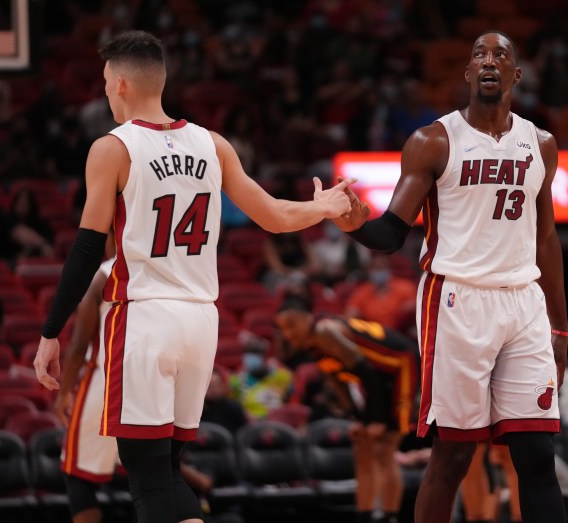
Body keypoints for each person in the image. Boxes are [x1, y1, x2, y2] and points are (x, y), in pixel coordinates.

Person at [33, 30, 354, 523]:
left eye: (103, 83)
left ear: (120, 84)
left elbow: (84, 249)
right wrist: (323, 206)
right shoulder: (213, 144)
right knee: (167, 473)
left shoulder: (113, 148)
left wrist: (50, 330)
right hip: (201, 323)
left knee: (147, 479)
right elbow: (272, 215)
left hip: (145, 318)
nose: (103, 92)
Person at [334, 31, 568, 523]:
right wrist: (357, 225)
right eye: (479, 54)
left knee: (536, 455)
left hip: (523, 302)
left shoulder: (540, 144)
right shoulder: (433, 140)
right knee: (454, 456)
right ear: (467, 74)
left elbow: (546, 240)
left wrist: (560, 327)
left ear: (516, 75)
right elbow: (393, 233)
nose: (489, 61)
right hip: (457, 300)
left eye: (501, 54)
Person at [275, 296, 419, 523]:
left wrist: (377, 420)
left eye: (291, 325)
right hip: (380, 379)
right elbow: (341, 383)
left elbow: (367, 372)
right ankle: (365, 514)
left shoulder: (325, 330)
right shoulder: (313, 345)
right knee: (362, 445)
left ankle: (390, 516)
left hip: (401, 365)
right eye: (283, 328)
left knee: (384, 448)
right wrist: (359, 420)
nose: (288, 333)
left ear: (306, 318)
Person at [55, 250, 118, 523]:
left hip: (108, 382)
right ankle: (197, 483)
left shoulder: (104, 274)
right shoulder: (160, 269)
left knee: (77, 475)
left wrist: (63, 394)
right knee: (158, 472)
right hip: (156, 379)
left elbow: (80, 344)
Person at [228, 334, 293, 421]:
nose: (252, 360)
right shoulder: (236, 380)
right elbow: (233, 407)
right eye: (248, 355)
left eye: (258, 355)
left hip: (277, 420)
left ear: (267, 357)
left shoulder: (283, 376)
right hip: (249, 423)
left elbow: (292, 401)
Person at [344, 254, 417, 329]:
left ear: (389, 269)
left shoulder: (405, 287)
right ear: (369, 271)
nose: (379, 271)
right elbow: (350, 315)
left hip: (401, 331)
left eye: (382, 268)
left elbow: (416, 309)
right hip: (375, 333)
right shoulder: (361, 292)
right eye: (376, 268)